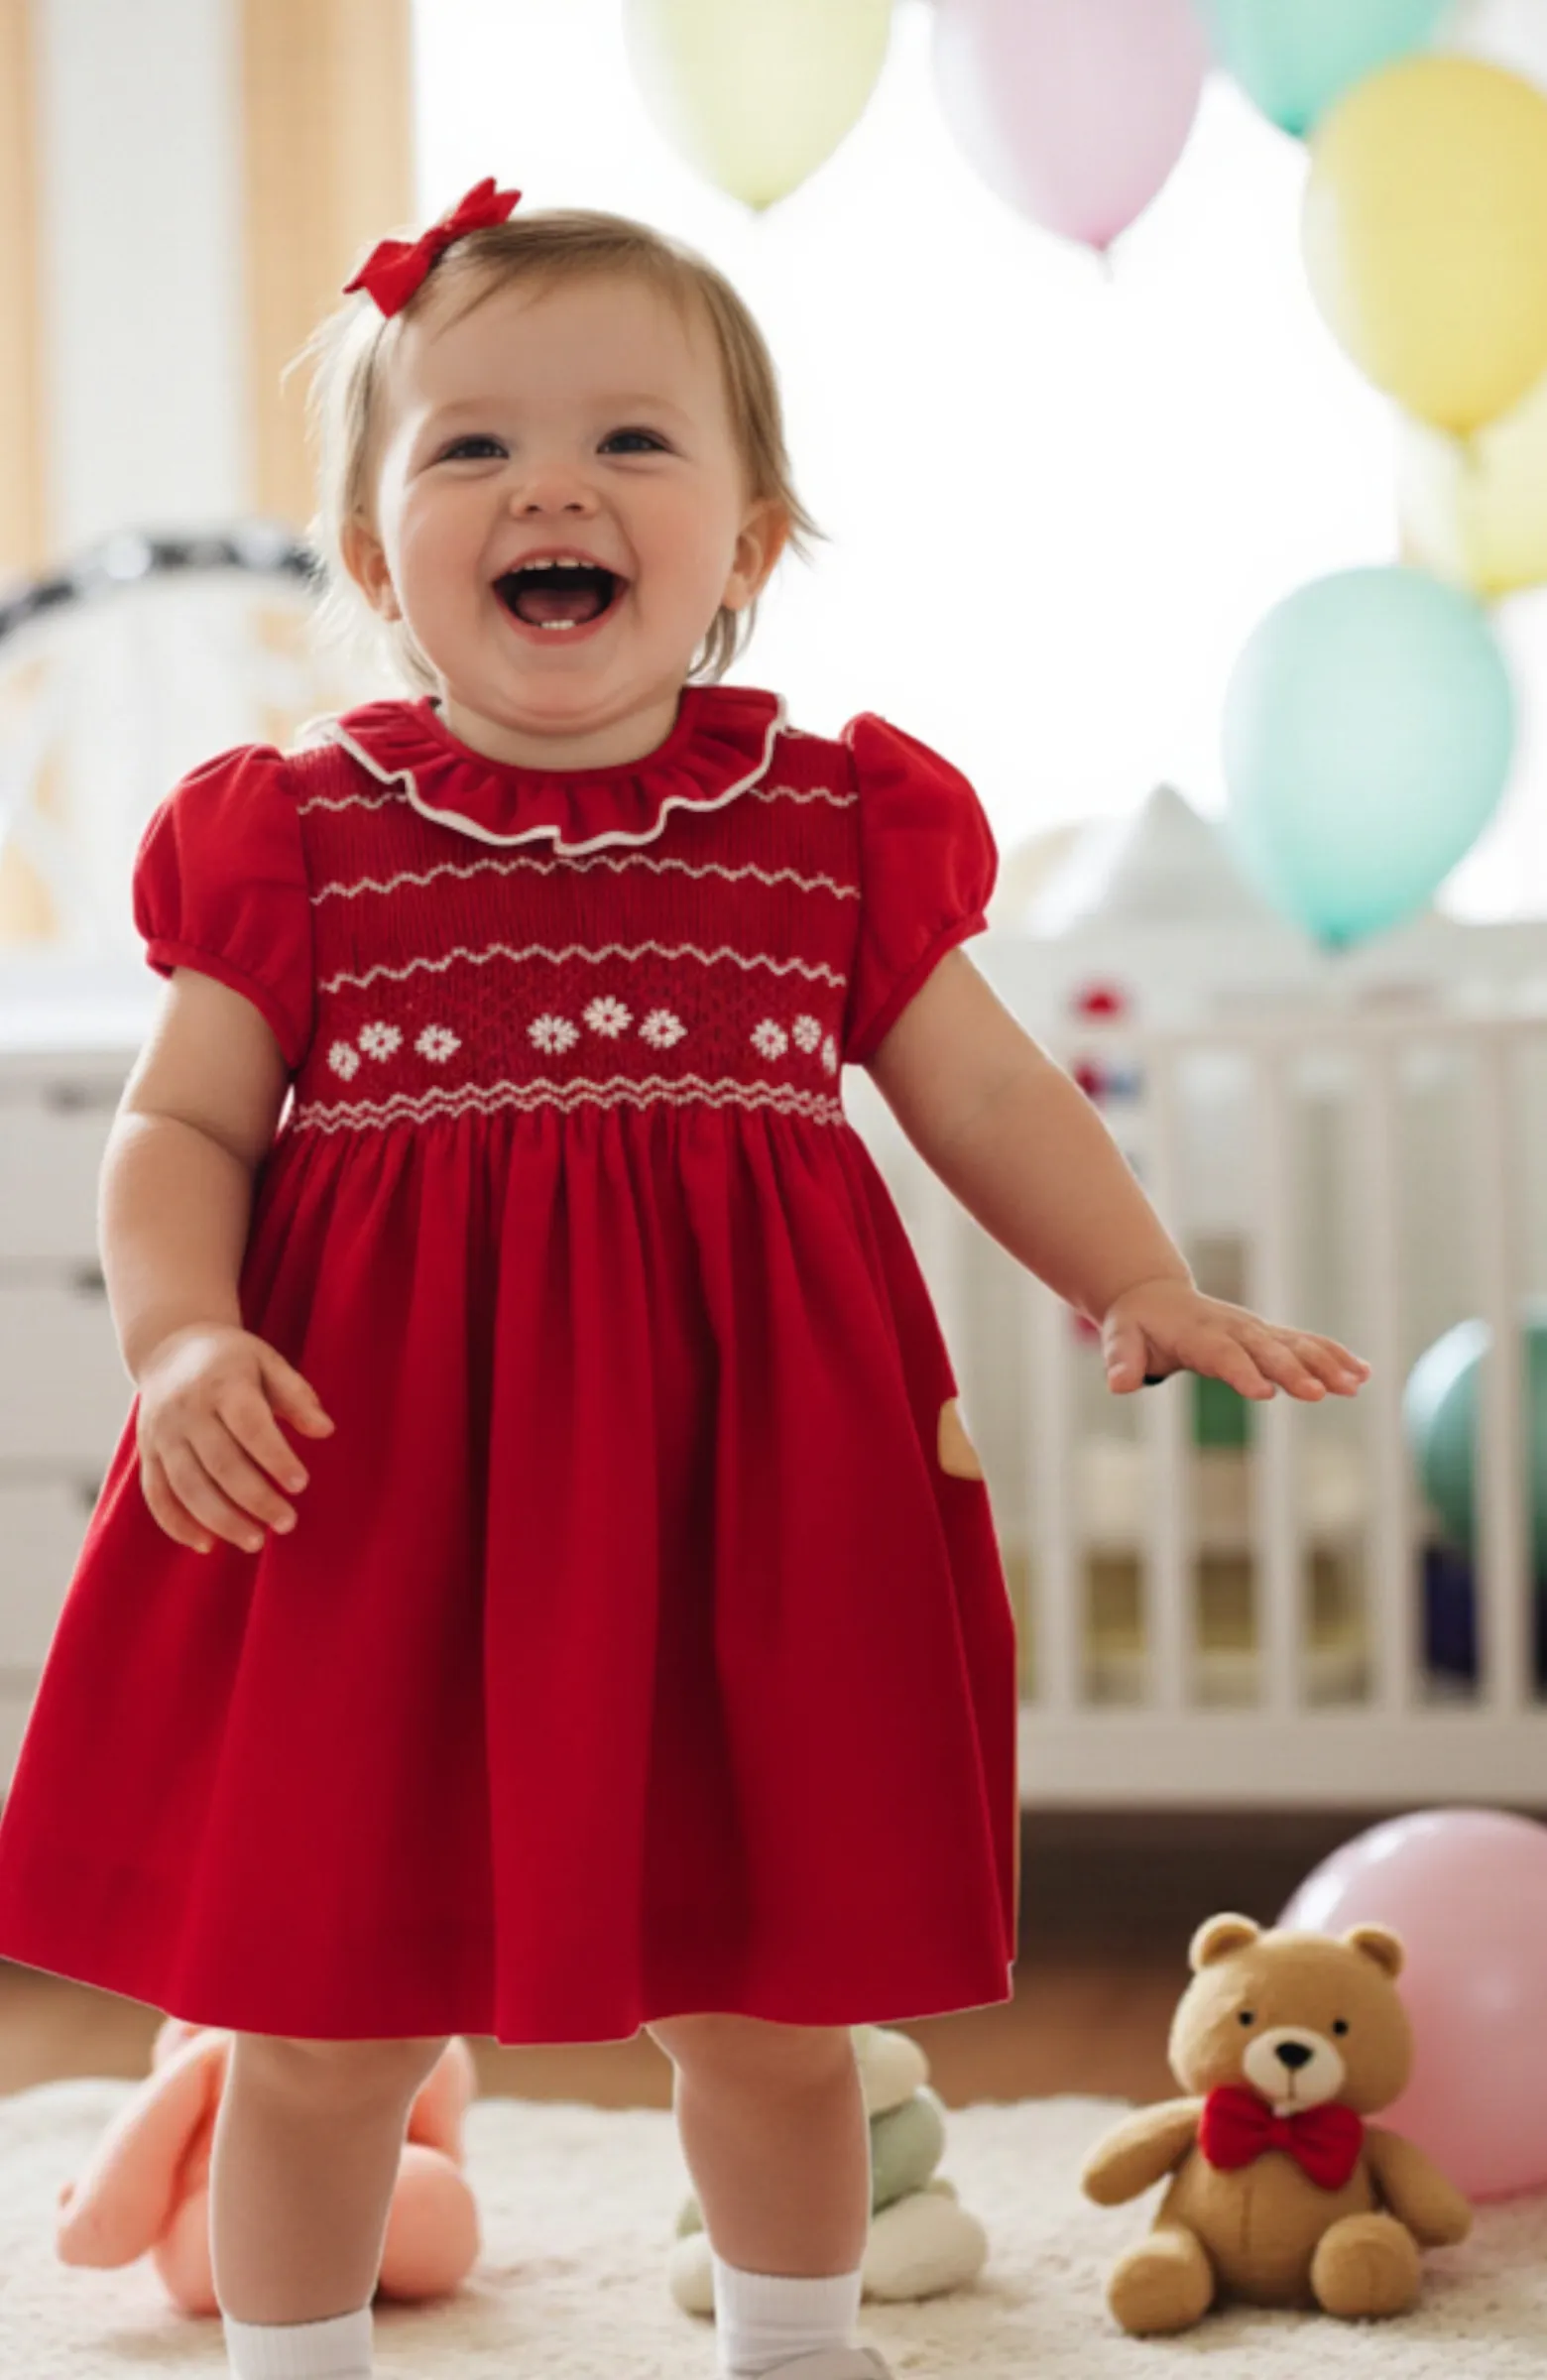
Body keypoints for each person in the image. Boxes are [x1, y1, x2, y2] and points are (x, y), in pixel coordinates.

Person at [0, 180, 1369, 2380]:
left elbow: (992, 1100)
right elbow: (181, 1134)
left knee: (766, 2003)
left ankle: (796, 2345)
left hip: (742, 1502)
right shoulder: (301, 838)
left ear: (747, 542)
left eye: (634, 443)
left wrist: (1146, 1279)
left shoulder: (825, 831)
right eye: (470, 449)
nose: (553, 485)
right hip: (387, 1510)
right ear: (376, 559)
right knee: (325, 2018)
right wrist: (183, 1335)